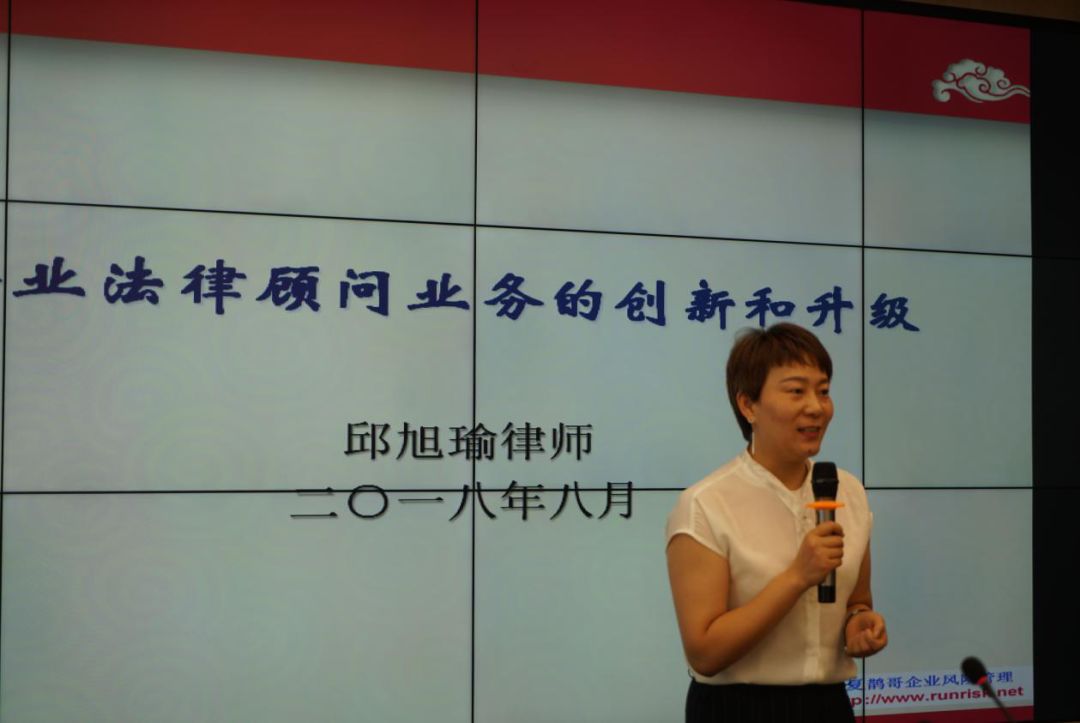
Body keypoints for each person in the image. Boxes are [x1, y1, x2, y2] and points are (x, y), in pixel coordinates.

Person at [666, 323, 887, 722]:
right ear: (748, 405)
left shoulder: (848, 491)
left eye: (823, 391)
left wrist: (858, 624)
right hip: (736, 709)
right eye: (796, 391)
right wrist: (797, 577)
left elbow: (858, 601)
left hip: (828, 706)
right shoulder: (705, 504)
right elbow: (705, 652)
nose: (816, 407)